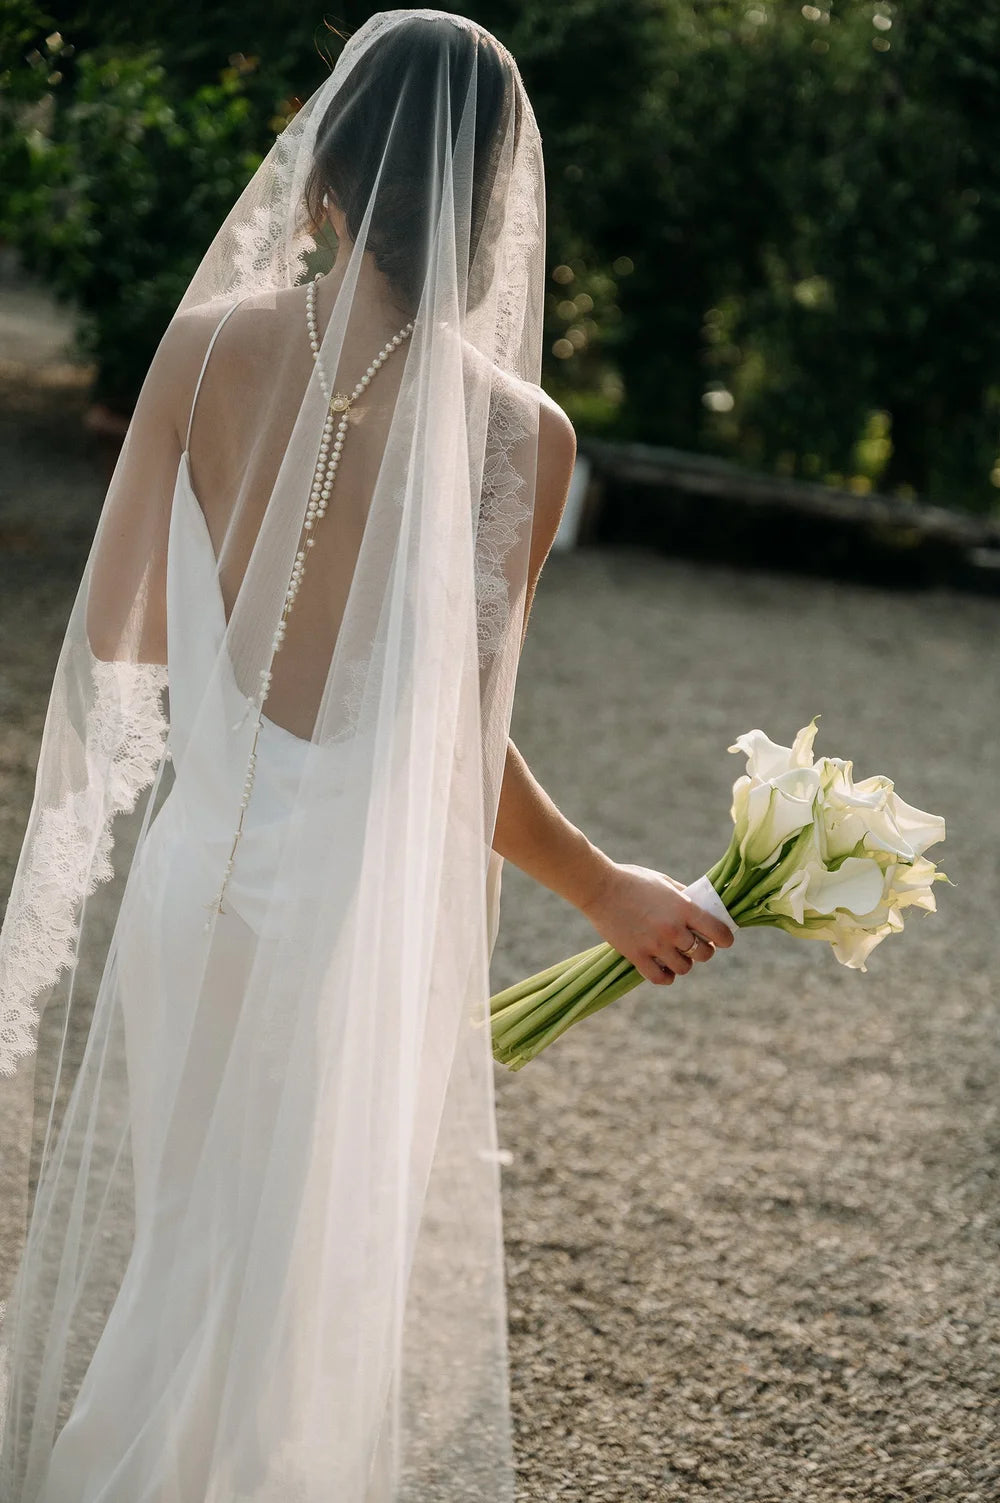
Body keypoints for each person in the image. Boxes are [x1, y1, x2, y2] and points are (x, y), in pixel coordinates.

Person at [0, 11, 730, 1500]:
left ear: (321, 175)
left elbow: (125, 633)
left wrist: (247, 599)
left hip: (198, 881)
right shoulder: (526, 436)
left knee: (191, 1243)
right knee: (291, 1288)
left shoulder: (205, 353)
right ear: (493, 210)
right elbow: (455, 750)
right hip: (355, 919)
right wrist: (605, 890)